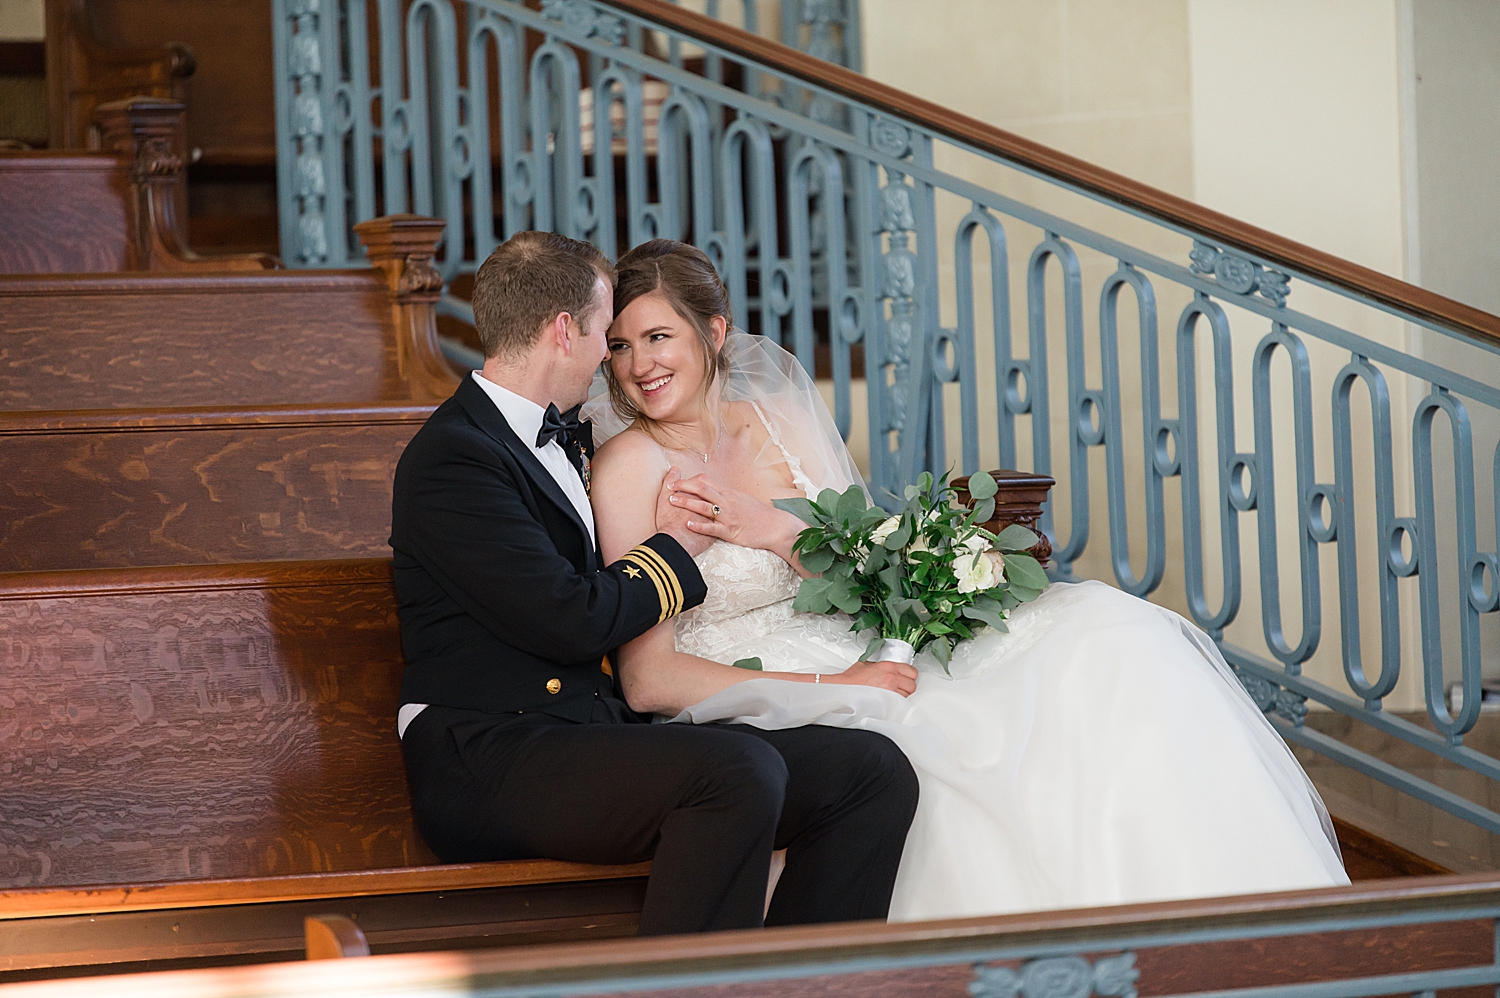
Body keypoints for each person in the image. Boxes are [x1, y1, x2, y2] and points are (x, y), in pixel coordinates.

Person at [586, 238, 1351, 921]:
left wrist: (779, 530)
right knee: (955, 745)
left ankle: (1209, 932)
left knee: (1111, 640)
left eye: (660, 336)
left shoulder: (780, 415)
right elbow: (649, 680)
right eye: (620, 346)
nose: (640, 365)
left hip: (859, 638)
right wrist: (844, 686)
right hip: (758, 680)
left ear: (714, 334)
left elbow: (861, 575)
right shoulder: (629, 468)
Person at [390, 231, 920, 937]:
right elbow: (565, 619)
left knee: (870, 772)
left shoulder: (558, 435)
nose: (620, 359)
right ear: (563, 331)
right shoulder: (454, 457)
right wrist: (677, 547)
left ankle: (802, 987)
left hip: (585, 734)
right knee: (736, 773)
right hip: (488, 755)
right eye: (608, 334)